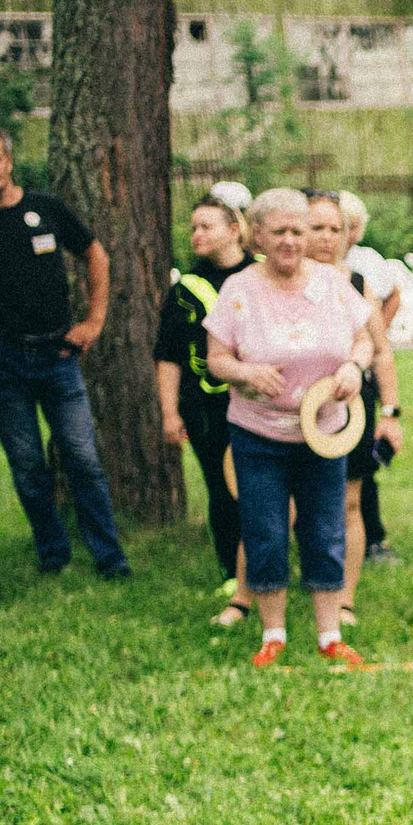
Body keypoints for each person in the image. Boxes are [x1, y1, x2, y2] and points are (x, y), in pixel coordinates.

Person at [0, 123, 130, 579]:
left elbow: (95, 255)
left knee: (83, 460)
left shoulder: (45, 208)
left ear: (9, 159)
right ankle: (53, 553)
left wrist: (94, 321)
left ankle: (110, 557)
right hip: (3, 362)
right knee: (27, 467)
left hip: (59, 356)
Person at [200, 187, 374, 670]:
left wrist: (353, 370)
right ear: (257, 235)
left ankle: (329, 634)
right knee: (266, 529)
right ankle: (272, 635)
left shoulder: (333, 284)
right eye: (279, 232)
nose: (291, 241)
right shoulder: (239, 290)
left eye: (299, 231)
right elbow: (216, 360)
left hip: (324, 433)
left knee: (325, 528)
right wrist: (246, 372)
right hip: (258, 435)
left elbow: (363, 342)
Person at [153, 193, 253, 626]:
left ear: (235, 229)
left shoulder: (263, 274)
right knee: (222, 486)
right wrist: (169, 413)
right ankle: (233, 573)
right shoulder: (184, 291)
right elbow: (168, 356)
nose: (196, 235)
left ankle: (279, 564)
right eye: (193, 227)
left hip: (264, 403)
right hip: (207, 406)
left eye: (206, 226)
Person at [305, 190, 402, 627]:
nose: (326, 238)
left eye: (335, 229)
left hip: (349, 407)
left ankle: (344, 599)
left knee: (350, 503)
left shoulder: (357, 284)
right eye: (316, 228)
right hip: (292, 410)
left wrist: (390, 413)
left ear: (349, 235)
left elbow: (381, 352)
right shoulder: (273, 282)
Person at [337, 190, 404, 566]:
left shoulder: (362, 270)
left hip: (358, 373)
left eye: (344, 227)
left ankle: (371, 537)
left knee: (359, 467)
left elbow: (393, 296)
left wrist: (378, 330)